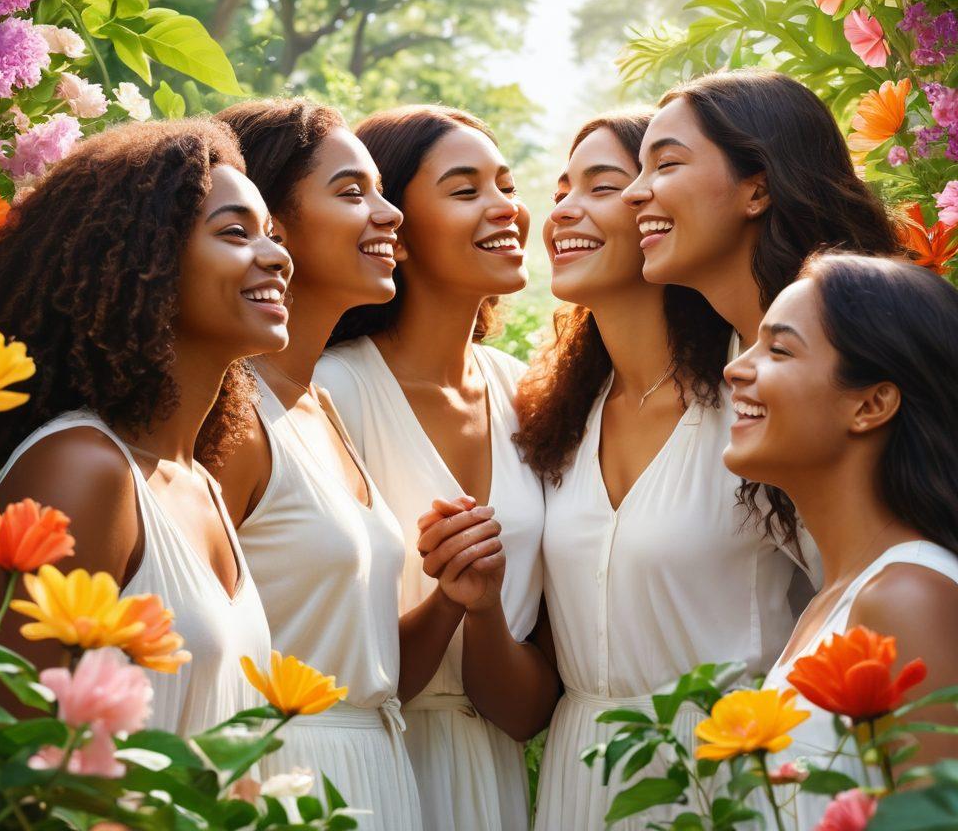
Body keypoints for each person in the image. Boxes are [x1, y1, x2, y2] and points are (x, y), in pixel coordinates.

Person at [210, 98, 504, 831]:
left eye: (382, 190)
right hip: (283, 783)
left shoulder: (320, 409)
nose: (390, 214)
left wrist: (450, 597)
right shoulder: (232, 420)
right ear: (269, 220)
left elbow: (370, 676)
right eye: (352, 192)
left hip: (377, 772)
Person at [513, 113, 811, 831]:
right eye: (561, 189)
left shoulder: (756, 396)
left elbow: (852, 588)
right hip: (582, 775)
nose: (563, 212)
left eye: (603, 185)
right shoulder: (556, 418)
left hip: (730, 772)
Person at [0, 118, 283, 735]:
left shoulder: (200, 483)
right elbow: (5, 751)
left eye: (272, 234)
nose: (276, 256)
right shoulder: (81, 469)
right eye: (237, 233)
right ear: (145, 258)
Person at [315, 104, 551, 831]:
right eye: (465, 188)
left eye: (506, 184)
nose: (505, 206)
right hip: (362, 768)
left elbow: (526, 714)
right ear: (394, 225)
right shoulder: (330, 393)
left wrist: (480, 611)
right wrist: (446, 601)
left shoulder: (528, 395)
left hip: (494, 781)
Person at [725, 253, 958, 828]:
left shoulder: (908, 597)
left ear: (871, 404)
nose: (736, 370)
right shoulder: (842, 596)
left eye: (779, 350)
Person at [622, 69, 899, 349]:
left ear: (759, 191)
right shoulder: (714, 359)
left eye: (666, 164)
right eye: (640, 168)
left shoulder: (860, 347)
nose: (630, 193)